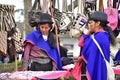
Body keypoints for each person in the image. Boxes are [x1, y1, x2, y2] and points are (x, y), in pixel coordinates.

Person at [78, 11, 116, 80]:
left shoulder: (97, 37)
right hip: (101, 68)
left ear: (98, 23)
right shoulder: (104, 35)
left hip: (95, 68)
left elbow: (81, 44)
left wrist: (89, 31)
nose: (90, 25)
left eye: (91, 22)